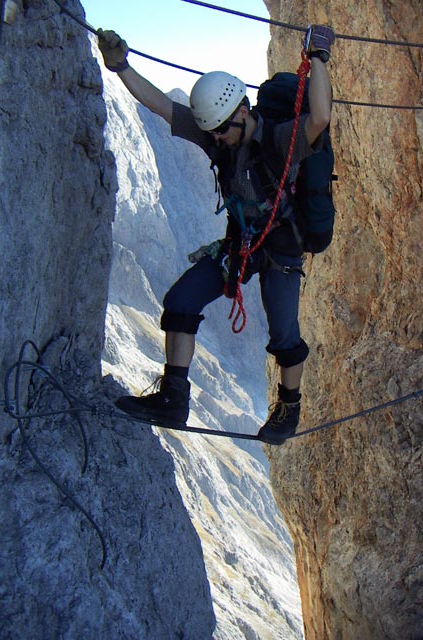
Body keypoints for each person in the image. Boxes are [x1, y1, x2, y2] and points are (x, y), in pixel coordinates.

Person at [97, 25, 334, 445]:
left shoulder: (281, 140)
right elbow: (162, 107)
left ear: (243, 112)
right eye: (213, 134)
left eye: (223, 131)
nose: (217, 140)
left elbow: (318, 118)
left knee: (284, 335)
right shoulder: (217, 136)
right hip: (241, 245)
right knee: (179, 302)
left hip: (280, 249)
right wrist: (120, 67)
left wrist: (318, 58)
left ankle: (289, 409)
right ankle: (173, 398)